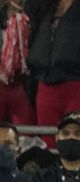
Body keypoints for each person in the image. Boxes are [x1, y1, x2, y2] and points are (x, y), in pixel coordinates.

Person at [26, 0, 80, 147]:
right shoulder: (44, 6)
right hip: (46, 85)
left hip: (75, 84)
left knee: (74, 144)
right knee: (48, 145)